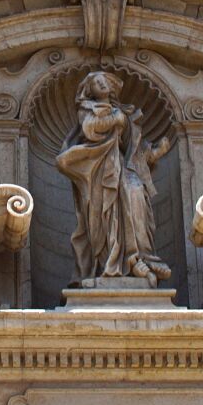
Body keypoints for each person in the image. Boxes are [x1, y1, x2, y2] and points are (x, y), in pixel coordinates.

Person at [55, 68, 172, 284]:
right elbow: (90, 129)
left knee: (136, 193)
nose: (101, 84)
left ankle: (143, 255)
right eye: (95, 83)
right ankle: (114, 262)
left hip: (121, 164)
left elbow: (132, 144)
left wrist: (153, 153)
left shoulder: (123, 112)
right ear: (88, 91)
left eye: (103, 81)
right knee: (104, 214)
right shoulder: (86, 109)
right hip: (98, 168)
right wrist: (113, 120)